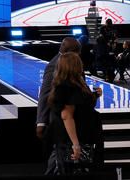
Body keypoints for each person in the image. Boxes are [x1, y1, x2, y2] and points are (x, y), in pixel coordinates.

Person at [46, 53, 103, 174]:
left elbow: (82, 107)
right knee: (75, 170)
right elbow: (67, 116)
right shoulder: (67, 86)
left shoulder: (76, 83)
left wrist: (95, 96)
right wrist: (76, 145)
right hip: (74, 139)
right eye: (78, 62)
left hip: (82, 136)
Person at [36, 37, 82, 174]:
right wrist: (41, 122)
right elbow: (44, 95)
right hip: (63, 122)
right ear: (71, 52)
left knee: (64, 159)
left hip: (73, 122)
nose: (80, 56)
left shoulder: (72, 64)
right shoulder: (54, 65)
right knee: (61, 158)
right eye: (78, 53)